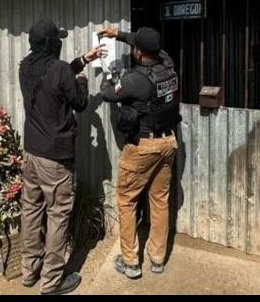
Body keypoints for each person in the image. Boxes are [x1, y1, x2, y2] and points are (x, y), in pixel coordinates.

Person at [18, 18, 104, 295]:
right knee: (57, 215)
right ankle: (52, 281)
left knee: (31, 210)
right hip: (56, 158)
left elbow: (56, 78)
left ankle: (29, 272)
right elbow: (78, 103)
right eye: (58, 40)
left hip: (31, 153)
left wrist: (82, 60)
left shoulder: (25, 66)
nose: (60, 43)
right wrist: (82, 80)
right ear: (50, 44)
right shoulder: (60, 70)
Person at [97, 25, 180, 280]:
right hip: (168, 143)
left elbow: (108, 93)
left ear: (138, 53)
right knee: (159, 200)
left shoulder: (135, 80)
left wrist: (109, 75)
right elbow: (146, 43)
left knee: (127, 200)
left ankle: (131, 262)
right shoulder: (168, 64)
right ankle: (157, 259)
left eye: (134, 47)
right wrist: (118, 35)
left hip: (143, 147)